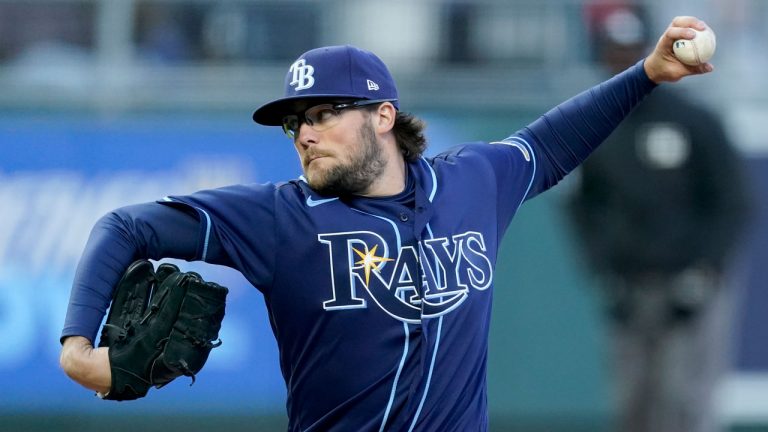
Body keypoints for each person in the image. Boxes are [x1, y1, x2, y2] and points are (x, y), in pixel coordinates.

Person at [60, 16, 713, 431]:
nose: (304, 134)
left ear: (381, 115)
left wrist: (647, 74)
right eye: (295, 122)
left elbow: (550, 142)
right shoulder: (278, 217)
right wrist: (78, 352)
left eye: (321, 114)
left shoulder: (472, 183)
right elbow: (124, 228)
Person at [568, 4, 750, 432]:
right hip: (630, 286)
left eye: (631, 48)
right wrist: (602, 271)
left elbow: (733, 202)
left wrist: (705, 269)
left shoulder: (694, 120)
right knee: (633, 399)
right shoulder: (594, 126)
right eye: (614, 49)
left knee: (685, 400)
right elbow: (582, 207)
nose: (622, 58)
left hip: (690, 285)